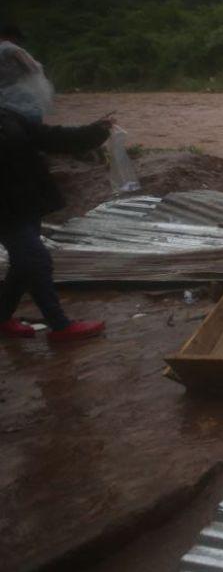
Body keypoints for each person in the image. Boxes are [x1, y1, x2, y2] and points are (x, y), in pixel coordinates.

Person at [0, 25, 113, 341]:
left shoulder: (12, 115)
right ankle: (60, 325)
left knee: (24, 264)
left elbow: (50, 138)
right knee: (35, 259)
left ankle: (2, 318)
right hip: (7, 207)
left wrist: (96, 131)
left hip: (24, 200)